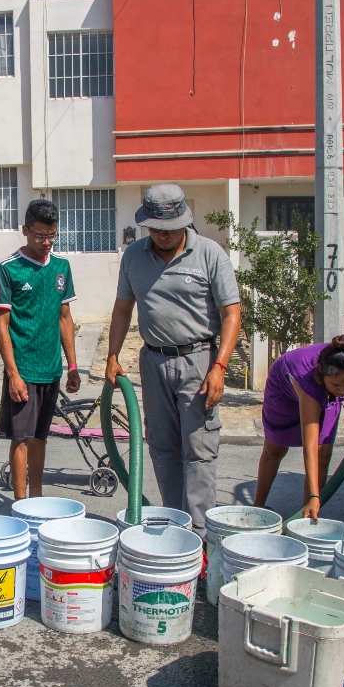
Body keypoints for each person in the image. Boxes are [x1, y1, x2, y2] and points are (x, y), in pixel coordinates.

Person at [106, 184, 242, 540]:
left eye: (169, 229)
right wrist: (112, 356)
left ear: (184, 222)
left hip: (198, 361)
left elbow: (231, 314)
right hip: (153, 362)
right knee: (162, 448)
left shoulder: (210, 254)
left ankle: (200, 538)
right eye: (155, 229)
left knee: (198, 450)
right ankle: (176, 525)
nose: (162, 236)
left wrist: (220, 367)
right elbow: (123, 309)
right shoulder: (134, 256)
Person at [0, 199, 81, 500]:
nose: (46, 242)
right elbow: (1, 325)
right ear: (25, 231)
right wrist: (13, 373)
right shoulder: (7, 269)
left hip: (51, 368)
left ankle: (37, 498)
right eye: (40, 235)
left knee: (41, 437)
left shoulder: (61, 267)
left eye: (52, 235)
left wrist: (72, 365)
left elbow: (64, 318)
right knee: (21, 438)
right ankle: (20, 503)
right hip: (24, 369)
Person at [253, 336, 344, 521]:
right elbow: (309, 446)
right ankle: (258, 505)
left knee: (324, 454)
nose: (342, 390)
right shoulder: (309, 387)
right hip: (283, 390)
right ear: (322, 374)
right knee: (275, 449)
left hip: (323, 384)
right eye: (337, 385)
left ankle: (307, 516)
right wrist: (315, 494)